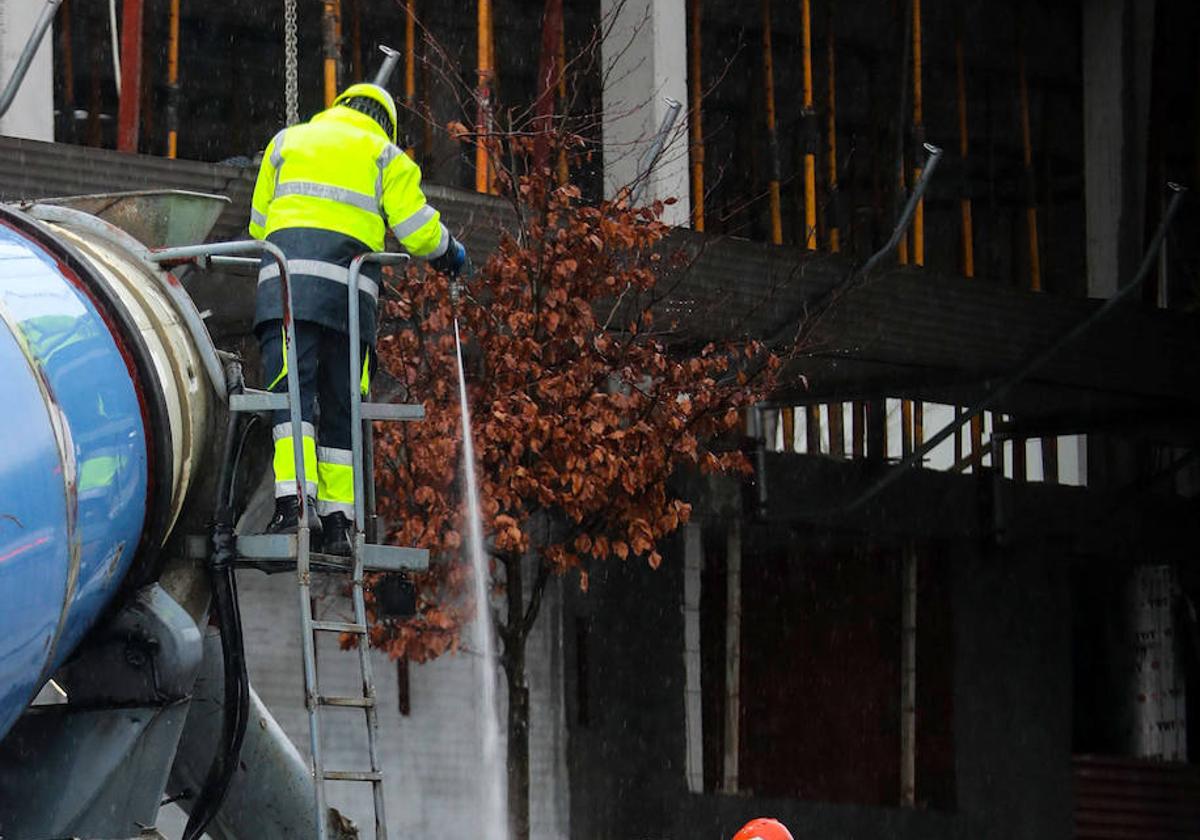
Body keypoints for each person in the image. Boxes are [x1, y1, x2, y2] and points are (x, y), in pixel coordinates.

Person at [248, 82, 468, 555]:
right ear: (385, 122)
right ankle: (339, 523)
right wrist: (450, 253)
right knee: (342, 408)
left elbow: (258, 226)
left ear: (338, 108)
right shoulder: (386, 155)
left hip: (288, 294)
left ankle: (292, 505)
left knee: (293, 398)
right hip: (348, 307)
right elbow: (417, 233)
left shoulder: (288, 142)